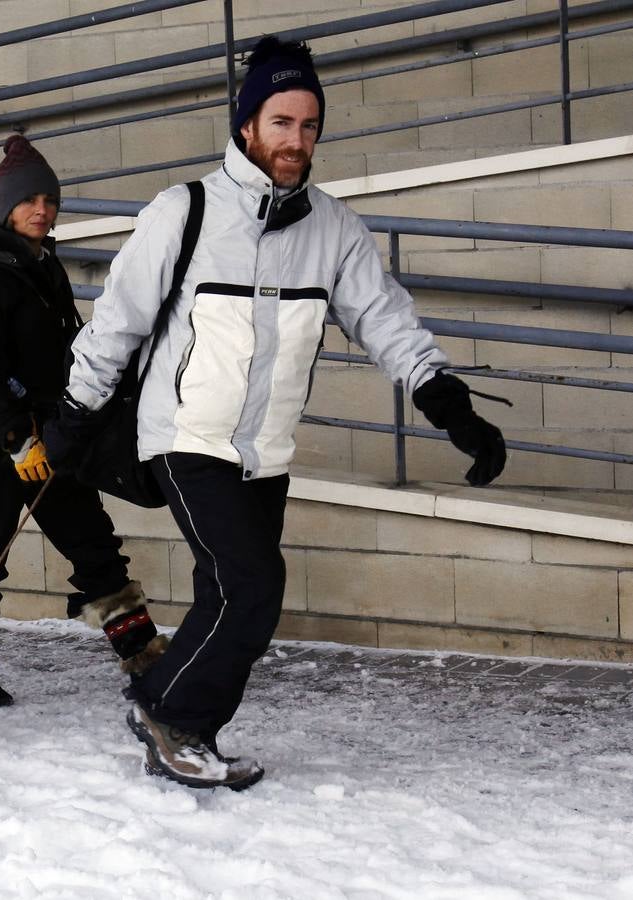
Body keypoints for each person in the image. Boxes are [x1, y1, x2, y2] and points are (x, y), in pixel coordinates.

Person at [46, 37, 507, 789]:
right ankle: (179, 724)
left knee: (239, 598)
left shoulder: (332, 228)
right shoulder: (184, 211)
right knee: (250, 586)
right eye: (281, 121)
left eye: (309, 125)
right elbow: (118, 321)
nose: (296, 140)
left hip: (265, 449)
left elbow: (383, 318)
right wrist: (74, 410)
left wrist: (445, 400)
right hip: (186, 436)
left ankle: (159, 703)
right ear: (246, 125)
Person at [0, 133, 169, 708]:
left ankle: (144, 660)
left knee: (92, 541)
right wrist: (15, 438)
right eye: (28, 200)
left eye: (49, 200)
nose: (41, 209)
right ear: (5, 207)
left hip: (55, 432)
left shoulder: (47, 267)